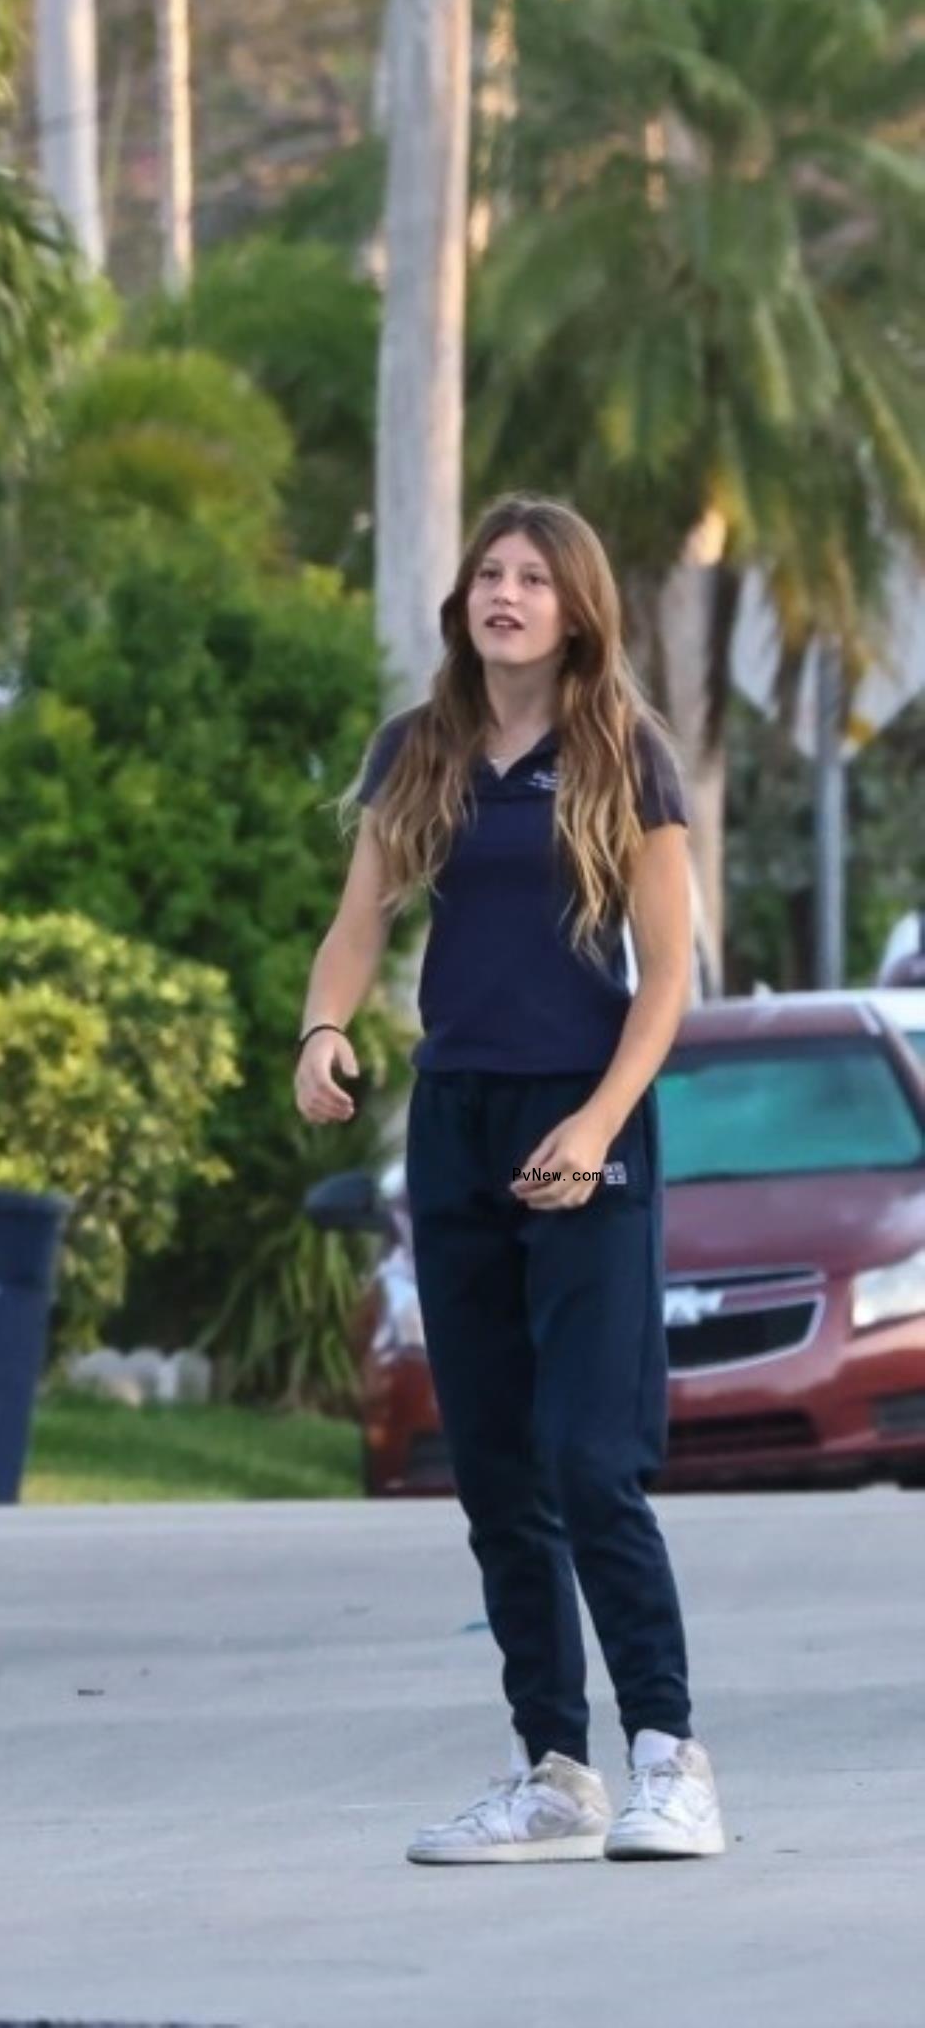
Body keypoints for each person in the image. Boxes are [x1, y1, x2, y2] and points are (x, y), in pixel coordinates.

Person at [295, 494, 726, 1866]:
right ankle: (556, 1768)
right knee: (493, 1471)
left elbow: (669, 980)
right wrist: (323, 1031)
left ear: (578, 607)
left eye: (534, 576)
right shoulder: (420, 750)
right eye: (490, 570)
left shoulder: (628, 757)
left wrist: (599, 1122)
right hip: (460, 1122)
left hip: (582, 1122)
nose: (506, 592)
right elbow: (359, 920)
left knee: (590, 1456)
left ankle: (671, 1755)